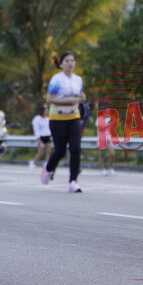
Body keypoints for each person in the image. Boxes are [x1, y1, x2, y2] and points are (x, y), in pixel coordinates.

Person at [41, 51, 86, 193]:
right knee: (60, 151)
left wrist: (81, 98)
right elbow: (49, 99)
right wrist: (70, 100)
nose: (70, 63)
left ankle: (73, 182)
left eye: (72, 60)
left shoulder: (78, 80)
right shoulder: (57, 80)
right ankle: (48, 168)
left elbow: (81, 96)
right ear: (61, 64)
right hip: (57, 118)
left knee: (75, 148)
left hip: (74, 118)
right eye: (67, 61)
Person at [30, 103, 52, 169]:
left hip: (47, 136)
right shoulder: (37, 119)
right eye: (46, 110)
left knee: (48, 152)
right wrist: (39, 141)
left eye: (47, 110)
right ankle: (33, 163)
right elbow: (36, 130)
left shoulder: (48, 119)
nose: (47, 112)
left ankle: (46, 165)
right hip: (40, 137)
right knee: (40, 152)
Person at [97, 112, 116, 176]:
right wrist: (108, 123)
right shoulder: (99, 118)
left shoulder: (110, 118)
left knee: (112, 154)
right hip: (101, 139)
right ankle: (102, 170)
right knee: (102, 155)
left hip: (109, 139)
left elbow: (112, 128)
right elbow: (100, 128)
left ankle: (110, 168)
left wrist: (113, 122)